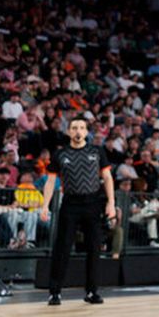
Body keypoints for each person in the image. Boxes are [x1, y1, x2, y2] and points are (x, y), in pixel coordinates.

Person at [40, 117, 117, 305]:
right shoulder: (60, 154)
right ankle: (55, 292)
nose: (78, 131)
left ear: (86, 132)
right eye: (74, 128)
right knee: (62, 248)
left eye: (82, 128)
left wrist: (111, 203)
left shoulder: (97, 151)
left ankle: (92, 291)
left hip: (93, 203)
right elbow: (50, 181)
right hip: (70, 204)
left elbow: (107, 178)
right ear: (68, 131)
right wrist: (44, 206)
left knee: (94, 248)